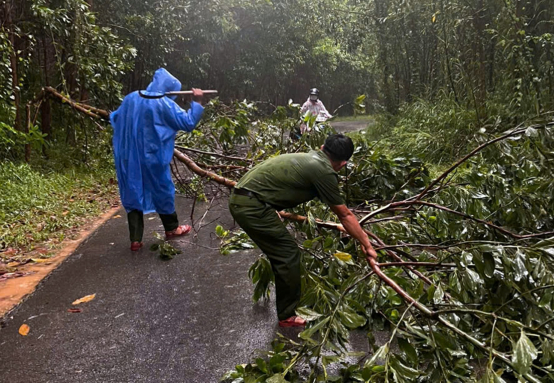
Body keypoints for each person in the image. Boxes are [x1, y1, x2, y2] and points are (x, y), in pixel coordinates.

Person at [229, 134, 378, 327]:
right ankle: (287, 315)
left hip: (244, 198)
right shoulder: (323, 171)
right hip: (251, 206)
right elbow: (345, 215)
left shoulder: (308, 157)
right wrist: (367, 244)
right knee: (288, 253)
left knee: (282, 251)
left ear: (323, 147)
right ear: (342, 164)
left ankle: (286, 303)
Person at [110, 68, 205, 251]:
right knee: (162, 189)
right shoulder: (165, 104)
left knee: (133, 191)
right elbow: (187, 122)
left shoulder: (131, 98)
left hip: (130, 158)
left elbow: (116, 117)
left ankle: (135, 240)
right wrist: (197, 102)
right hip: (155, 157)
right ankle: (171, 228)